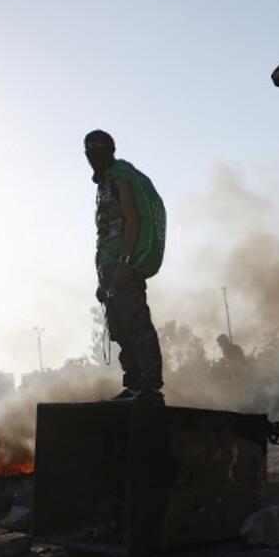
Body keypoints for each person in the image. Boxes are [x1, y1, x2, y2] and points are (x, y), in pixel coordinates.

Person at [86, 129, 167, 403]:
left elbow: (132, 219)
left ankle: (149, 386)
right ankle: (133, 385)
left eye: (97, 151)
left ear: (110, 151)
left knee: (136, 322)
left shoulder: (121, 176)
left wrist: (125, 262)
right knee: (119, 327)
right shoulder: (104, 184)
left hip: (124, 264)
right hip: (108, 267)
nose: (91, 157)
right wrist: (102, 281)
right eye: (88, 152)